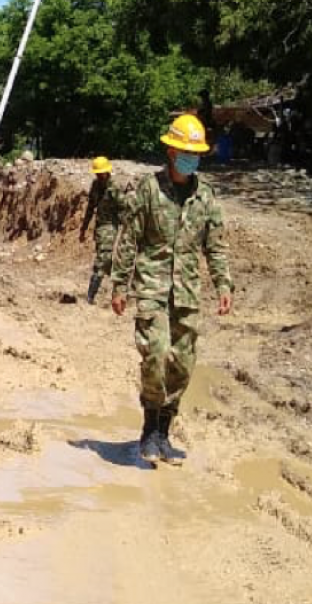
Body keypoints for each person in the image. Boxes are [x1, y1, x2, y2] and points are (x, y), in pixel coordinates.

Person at [110, 114, 234, 466]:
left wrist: (223, 283)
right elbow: (129, 239)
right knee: (155, 355)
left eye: (194, 153)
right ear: (170, 150)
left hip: (187, 293)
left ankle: (164, 433)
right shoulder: (148, 190)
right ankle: (149, 429)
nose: (189, 159)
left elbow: (216, 246)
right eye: (184, 151)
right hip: (152, 288)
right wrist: (120, 285)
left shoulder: (205, 197)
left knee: (182, 364)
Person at [78, 156, 124, 304]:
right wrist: (84, 228)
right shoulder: (96, 185)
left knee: (101, 260)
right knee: (107, 262)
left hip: (110, 227)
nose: (99, 176)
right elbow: (91, 207)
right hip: (99, 228)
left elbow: (125, 207)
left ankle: (90, 296)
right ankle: (124, 289)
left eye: (101, 173)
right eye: (97, 173)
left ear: (107, 172)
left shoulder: (114, 188)